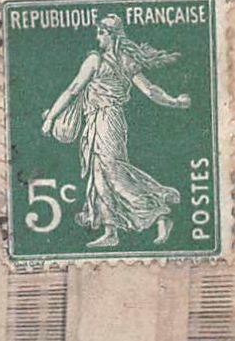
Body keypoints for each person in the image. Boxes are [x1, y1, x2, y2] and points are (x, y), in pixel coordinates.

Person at [40, 13, 189, 248]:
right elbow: (74, 90)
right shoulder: (106, 60)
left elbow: (149, 90)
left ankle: (159, 210)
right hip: (94, 122)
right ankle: (111, 231)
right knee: (98, 174)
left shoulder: (104, 61)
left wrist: (174, 102)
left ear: (113, 36)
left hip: (109, 120)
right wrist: (175, 102)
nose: (97, 37)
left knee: (112, 170)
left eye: (101, 33)